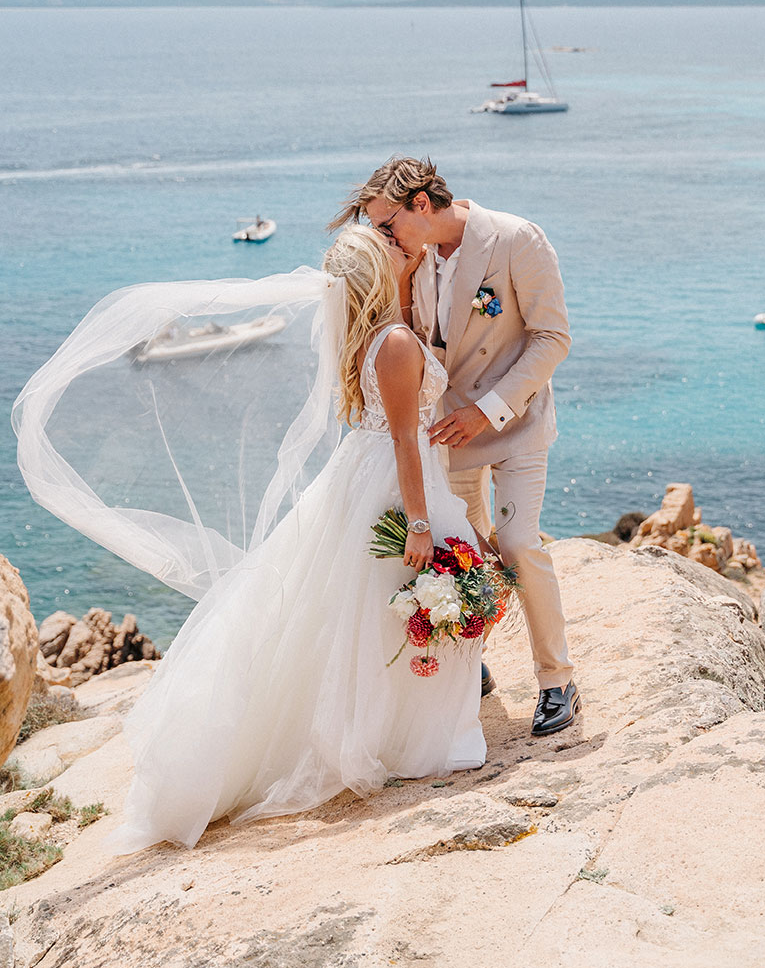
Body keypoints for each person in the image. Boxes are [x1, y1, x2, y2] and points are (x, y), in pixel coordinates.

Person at [14, 227, 486, 853]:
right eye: (392, 248)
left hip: (374, 474)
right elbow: (405, 437)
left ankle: (393, 730)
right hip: (396, 481)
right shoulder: (395, 342)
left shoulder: (372, 337)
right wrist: (422, 524)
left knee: (367, 611)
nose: (405, 247)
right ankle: (399, 736)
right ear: (376, 272)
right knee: (394, 604)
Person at [331, 157, 579, 737]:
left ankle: (556, 679)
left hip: (512, 423)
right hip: (446, 432)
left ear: (421, 204)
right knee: (459, 554)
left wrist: (486, 410)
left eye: (387, 225)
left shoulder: (517, 239)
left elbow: (553, 338)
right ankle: (470, 668)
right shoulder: (410, 259)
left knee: (516, 542)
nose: (383, 239)